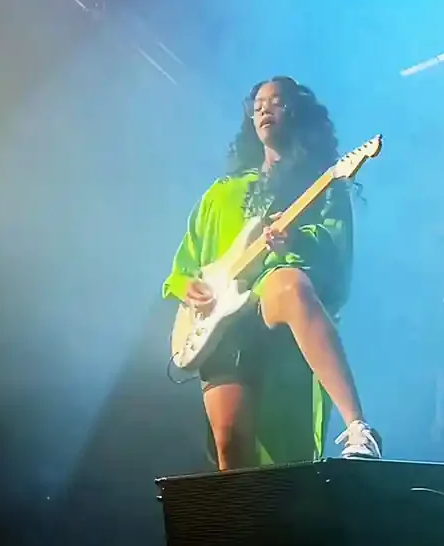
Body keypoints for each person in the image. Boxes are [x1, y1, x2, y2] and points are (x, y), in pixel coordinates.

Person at [162, 76, 382, 470]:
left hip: (275, 315)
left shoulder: (323, 185)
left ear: (296, 113)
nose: (264, 109)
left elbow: (337, 255)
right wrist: (187, 287)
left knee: (288, 282)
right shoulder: (221, 192)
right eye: (258, 103)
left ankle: (358, 427)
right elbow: (183, 267)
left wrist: (296, 241)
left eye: (276, 102)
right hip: (219, 327)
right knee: (231, 451)